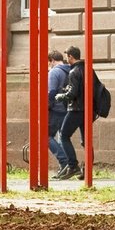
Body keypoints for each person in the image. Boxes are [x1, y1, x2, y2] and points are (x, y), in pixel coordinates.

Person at [57, 47, 96, 180]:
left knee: (64, 135)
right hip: (88, 110)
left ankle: (73, 165)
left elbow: (72, 93)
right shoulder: (88, 69)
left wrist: (61, 96)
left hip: (76, 110)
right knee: (86, 140)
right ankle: (88, 169)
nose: (67, 59)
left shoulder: (74, 71)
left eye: (67, 56)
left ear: (71, 57)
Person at [44, 50, 78, 180]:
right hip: (67, 109)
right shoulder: (69, 69)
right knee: (62, 137)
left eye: (48, 63)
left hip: (56, 109)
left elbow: (51, 92)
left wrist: (47, 107)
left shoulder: (54, 72)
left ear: (52, 60)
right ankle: (68, 165)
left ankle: (65, 162)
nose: (48, 66)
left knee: (45, 136)